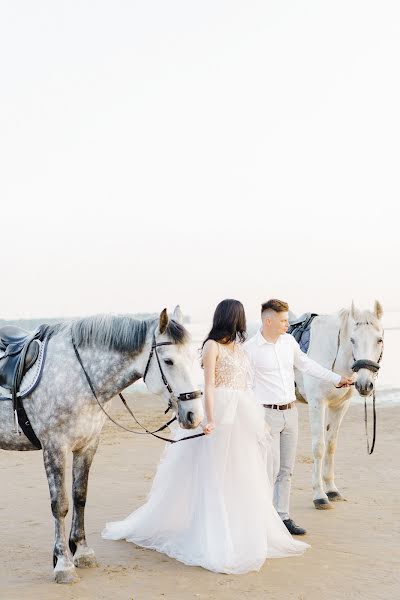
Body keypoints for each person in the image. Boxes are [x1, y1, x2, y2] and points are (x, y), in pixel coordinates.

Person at [102, 299, 309, 574]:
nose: (243, 322)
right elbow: (209, 385)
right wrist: (211, 419)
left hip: (244, 410)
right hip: (221, 409)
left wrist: (260, 419)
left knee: (243, 473)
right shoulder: (212, 346)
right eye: (240, 317)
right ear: (232, 318)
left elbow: (248, 383)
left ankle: (239, 530)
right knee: (214, 473)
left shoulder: (239, 347)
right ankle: (213, 534)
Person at [245, 299, 353, 535]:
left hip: (290, 413)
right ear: (268, 320)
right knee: (268, 469)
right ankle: (261, 518)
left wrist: (336, 379)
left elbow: (307, 365)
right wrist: (255, 418)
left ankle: (283, 517)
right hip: (266, 414)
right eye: (283, 320)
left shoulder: (288, 342)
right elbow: (246, 386)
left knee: (286, 469)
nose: (287, 324)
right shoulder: (250, 349)